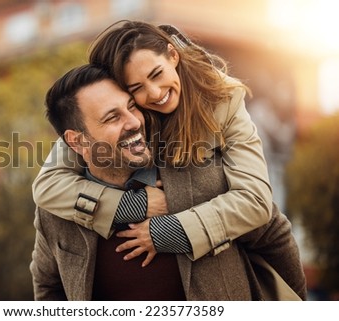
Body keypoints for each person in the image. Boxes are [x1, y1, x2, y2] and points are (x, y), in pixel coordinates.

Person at [30, 64, 306, 300]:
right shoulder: (57, 212)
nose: (134, 122)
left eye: (131, 107)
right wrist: (132, 206)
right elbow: (49, 287)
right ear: (77, 141)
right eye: (112, 117)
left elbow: (274, 237)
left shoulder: (202, 175)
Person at [33, 20, 274, 264]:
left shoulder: (223, 99)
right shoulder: (111, 117)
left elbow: (255, 200)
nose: (156, 93)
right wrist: (133, 205)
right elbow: (49, 186)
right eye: (136, 87)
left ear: (172, 55)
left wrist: (168, 231)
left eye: (156, 74)